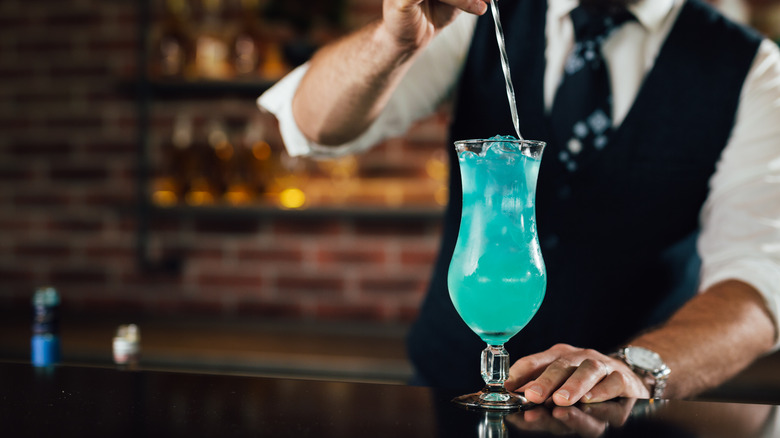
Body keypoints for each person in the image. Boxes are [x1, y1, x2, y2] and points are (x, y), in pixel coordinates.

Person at [258, 0, 780, 405]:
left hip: (626, 421)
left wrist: (639, 369)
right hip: (449, 398)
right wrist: (391, 42)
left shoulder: (751, 69)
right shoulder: (479, 12)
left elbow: (759, 285)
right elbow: (312, 126)